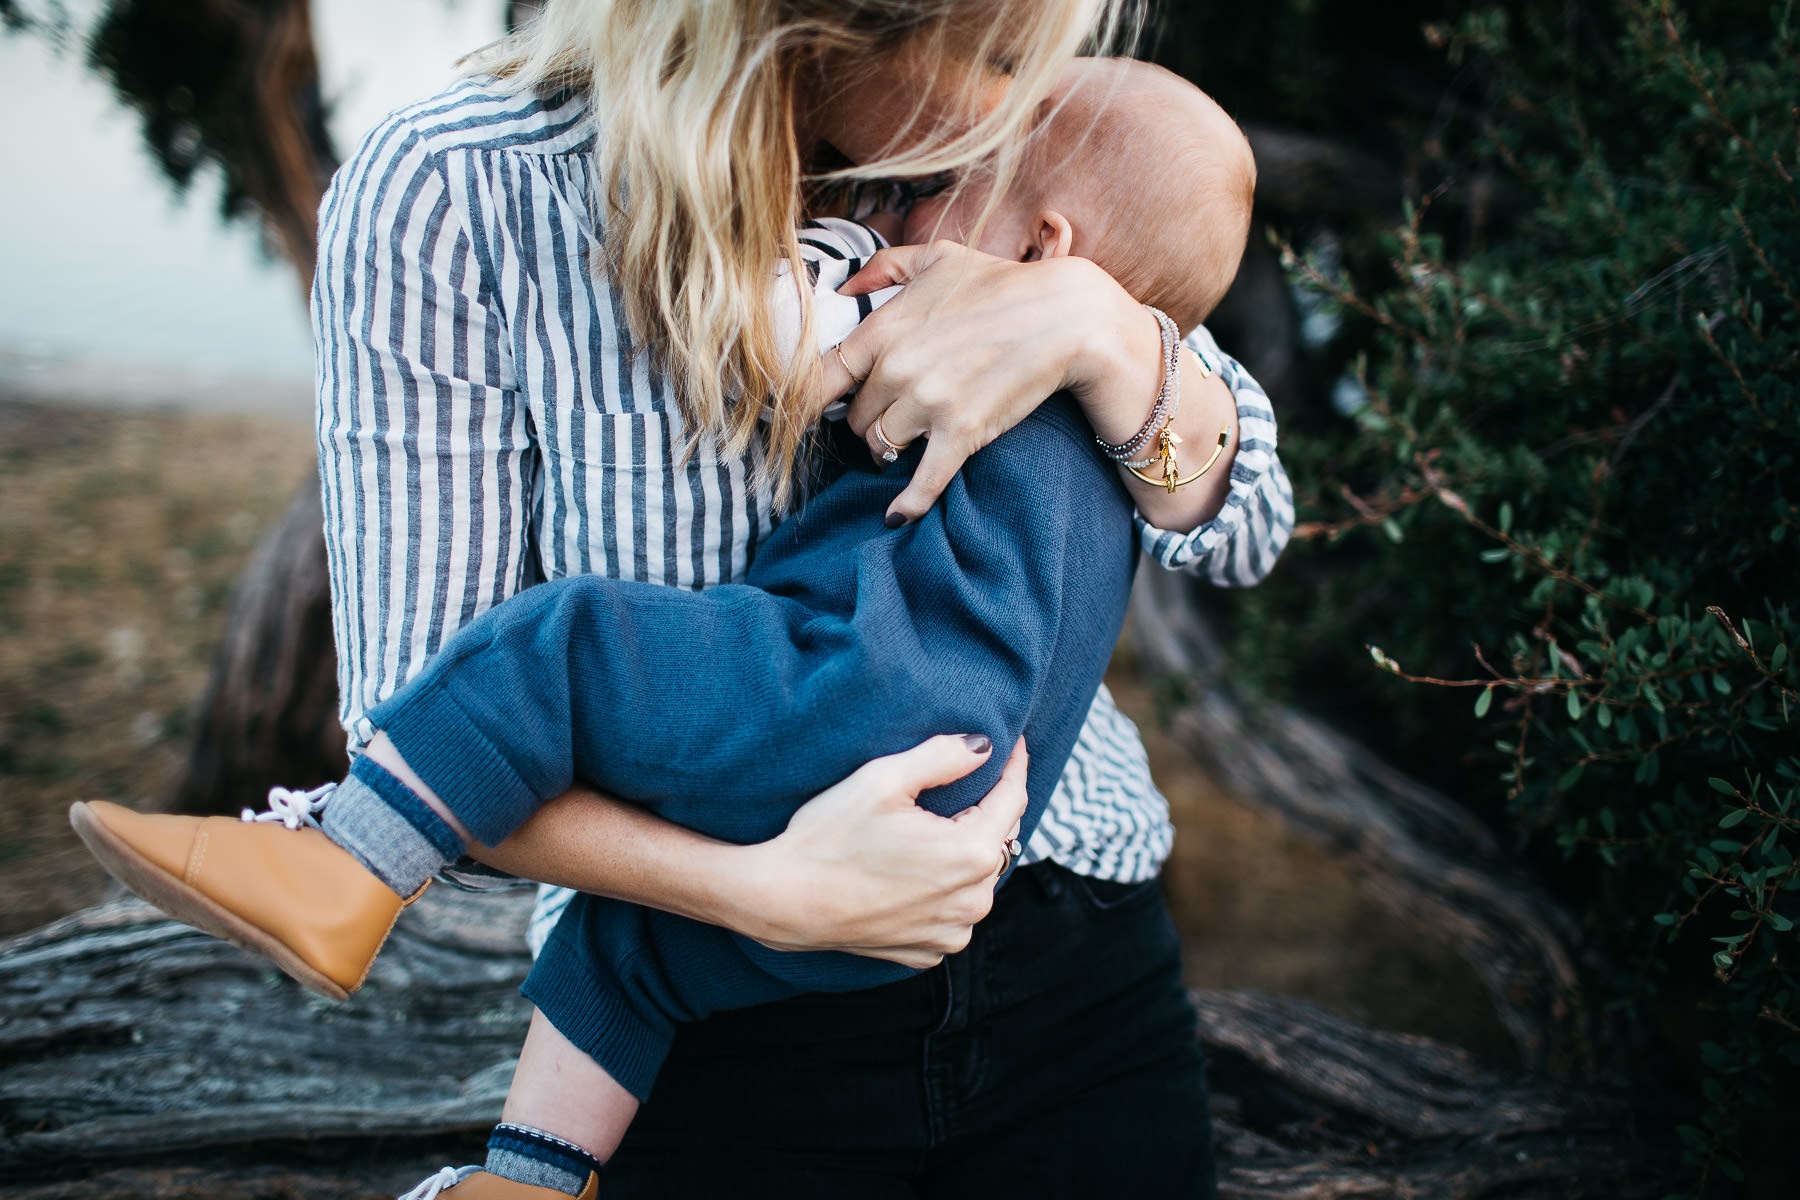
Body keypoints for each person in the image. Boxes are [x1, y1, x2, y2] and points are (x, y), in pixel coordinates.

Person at [84, 0, 1296, 1190]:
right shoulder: (464, 187)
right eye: (988, 57)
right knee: (617, 949)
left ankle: (343, 864)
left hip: (1073, 941)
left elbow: (1244, 529)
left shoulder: (1013, 208)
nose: (1005, 107)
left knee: (566, 650)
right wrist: (761, 893)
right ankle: (521, 1168)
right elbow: (413, 702)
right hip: (730, 995)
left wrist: (1108, 335)